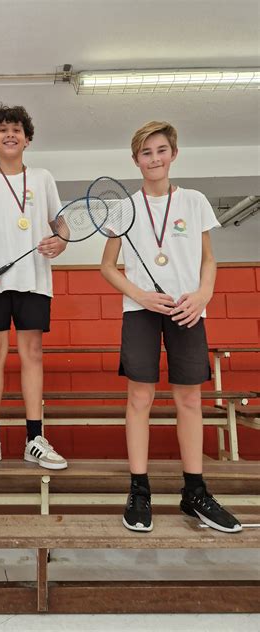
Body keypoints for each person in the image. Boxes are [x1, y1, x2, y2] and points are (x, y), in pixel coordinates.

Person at [100, 120, 242, 533]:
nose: (154, 158)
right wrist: (140, 295)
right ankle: (139, 490)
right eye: (146, 152)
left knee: (190, 400)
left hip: (188, 309)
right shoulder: (123, 207)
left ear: (173, 154)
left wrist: (203, 296)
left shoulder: (195, 200)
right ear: (136, 159)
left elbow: (209, 259)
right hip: (141, 310)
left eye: (161, 150)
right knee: (140, 398)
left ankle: (194, 491)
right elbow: (107, 266)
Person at [0, 104, 68, 473]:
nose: (10, 134)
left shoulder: (43, 178)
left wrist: (61, 241)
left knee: (32, 353)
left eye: (16, 129)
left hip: (34, 279)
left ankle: (35, 438)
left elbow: (60, 224)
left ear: (28, 138)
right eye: (2, 129)